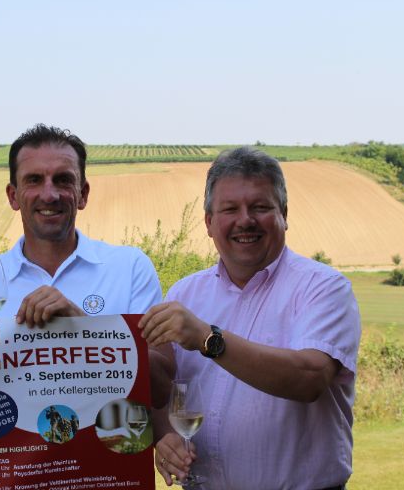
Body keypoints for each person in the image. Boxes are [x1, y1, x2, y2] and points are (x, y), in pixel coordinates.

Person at [140, 147, 361, 490]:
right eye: (230, 209)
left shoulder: (323, 287)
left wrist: (207, 338)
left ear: (284, 214)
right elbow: (160, 387)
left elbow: (310, 378)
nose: (245, 220)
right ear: (209, 222)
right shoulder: (184, 294)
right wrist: (165, 436)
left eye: (260, 207)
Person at [0, 124, 170, 406]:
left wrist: (83, 330)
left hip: (109, 446)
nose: (49, 195)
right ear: (12, 196)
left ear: (83, 194)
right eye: (33, 180)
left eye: (62, 180)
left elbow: (163, 390)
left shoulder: (130, 268)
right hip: (23, 449)